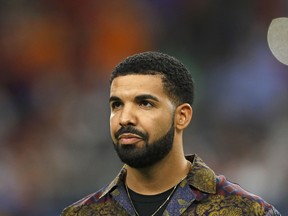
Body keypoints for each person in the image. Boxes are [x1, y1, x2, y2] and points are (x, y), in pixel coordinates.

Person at [61, 51, 281, 216]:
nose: (125, 117)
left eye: (145, 103)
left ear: (182, 116)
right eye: (117, 105)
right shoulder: (83, 213)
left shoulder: (245, 212)